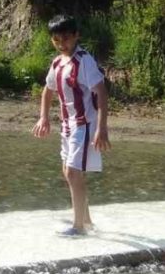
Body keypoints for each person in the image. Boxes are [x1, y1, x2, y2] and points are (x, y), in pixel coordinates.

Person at [31, 15, 111, 236]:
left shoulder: (83, 60)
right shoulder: (58, 62)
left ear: (76, 36)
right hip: (67, 126)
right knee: (68, 172)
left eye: (66, 38)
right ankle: (85, 219)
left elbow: (101, 92)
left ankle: (78, 226)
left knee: (73, 172)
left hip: (84, 124)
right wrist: (44, 117)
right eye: (56, 40)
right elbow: (48, 90)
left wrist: (101, 128)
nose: (61, 44)